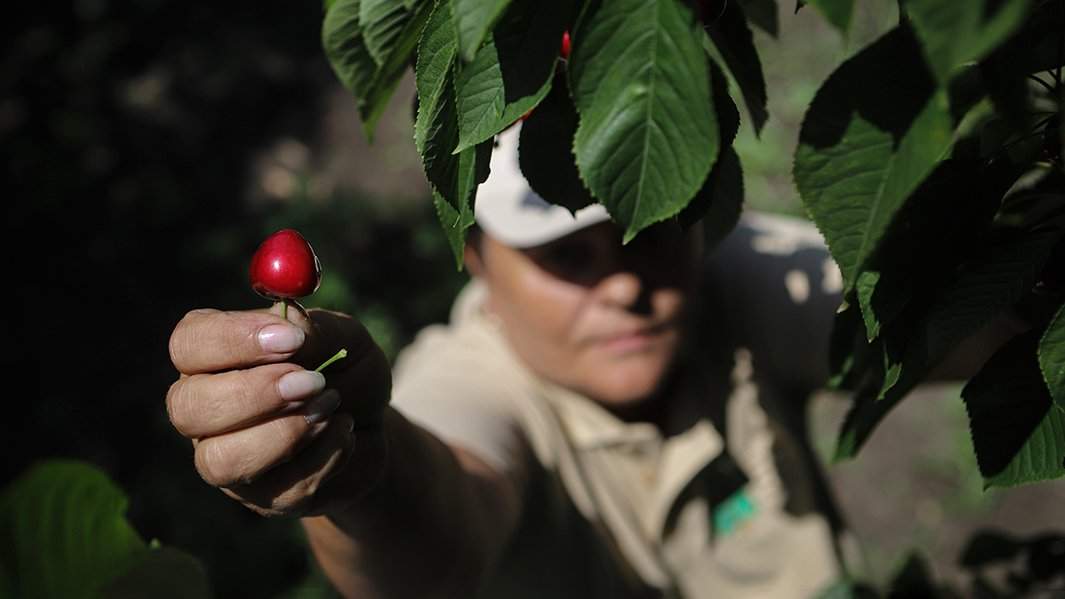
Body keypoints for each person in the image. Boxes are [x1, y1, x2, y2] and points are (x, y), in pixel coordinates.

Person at [165, 128, 1024, 598]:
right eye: (564, 253)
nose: (621, 284)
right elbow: (435, 529)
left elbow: (973, 320)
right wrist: (359, 478)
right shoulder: (471, 381)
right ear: (477, 260)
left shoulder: (731, 284)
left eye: (649, 227)